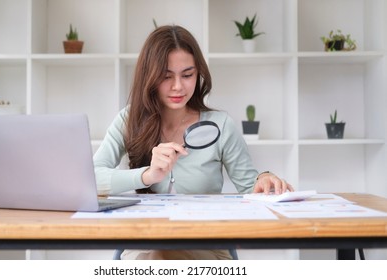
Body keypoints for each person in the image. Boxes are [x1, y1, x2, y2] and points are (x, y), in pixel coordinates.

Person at [93, 25, 293, 260]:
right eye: (166, 76)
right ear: (149, 77)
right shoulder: (128, 120)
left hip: (206, 243)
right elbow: (91, 179)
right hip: (146, 244)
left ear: (198, 74)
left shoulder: (220, 124)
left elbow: (250, 186)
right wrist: (147, 175)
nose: (178, 86)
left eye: (187, 75)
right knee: (159, 257)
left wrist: (264, 179)